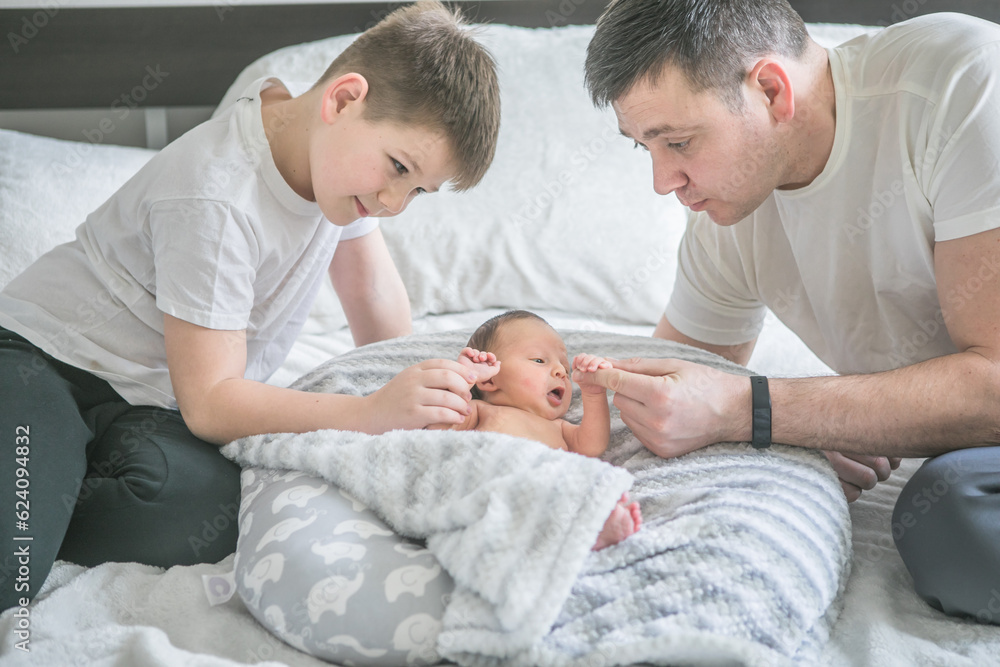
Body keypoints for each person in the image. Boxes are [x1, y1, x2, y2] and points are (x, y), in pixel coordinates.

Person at [0, 0, 501, 612]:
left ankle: (56, 478)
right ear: (344, 100)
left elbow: (376, 308)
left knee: (215, 508)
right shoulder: (217, 196)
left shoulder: (330, 165)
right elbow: (213, 404)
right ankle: (36, 491)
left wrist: (435, 391)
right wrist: (368, 411)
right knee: (13, 561)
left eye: (417, 189)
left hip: (150, 401)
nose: (396, 201)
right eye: (399, 168)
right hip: (45, 359)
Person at [582, 0, 1000, 623]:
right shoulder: (727, 217)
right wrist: (807, 433)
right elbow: (669, 399)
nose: (663, 180)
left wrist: (754, 412)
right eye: (645, 147)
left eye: (678, 142)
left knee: (955, 522)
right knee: (954, 519)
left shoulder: (960, 83)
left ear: (772, 90)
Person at [440, 309, 643, 549]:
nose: (560, 372)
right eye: (539, 360)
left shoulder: (558, 428)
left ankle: (593, 525)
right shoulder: (479, 410)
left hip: (546, 492)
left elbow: (593, 446)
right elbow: (440, 427)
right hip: (493, 488)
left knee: (572, 491)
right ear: (489, 379)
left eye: (565, 370)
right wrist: (465, 378)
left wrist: (593, 391)